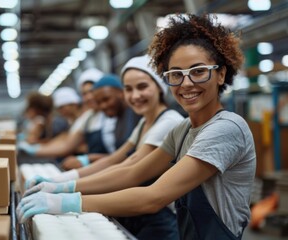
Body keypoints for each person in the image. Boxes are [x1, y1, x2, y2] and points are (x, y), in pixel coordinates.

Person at [17, 14, 256, 240]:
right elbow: (131, 171)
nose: (186, 83)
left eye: (199, 71)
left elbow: (153, 197)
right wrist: (61, 186)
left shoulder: (226, 129)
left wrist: (66, 202)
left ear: (221, 74)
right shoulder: (182, 130)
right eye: (175, 74)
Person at [21, 54, 184, 239]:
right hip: (140, 209)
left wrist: (66, 191)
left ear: (160, 86)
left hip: (164, 216)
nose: (135, 95)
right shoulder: (144, 123)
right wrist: (61, 181)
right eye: (128, 89)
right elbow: (116, 160)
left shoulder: (169, 122)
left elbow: (131, 171)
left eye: (142, 87)